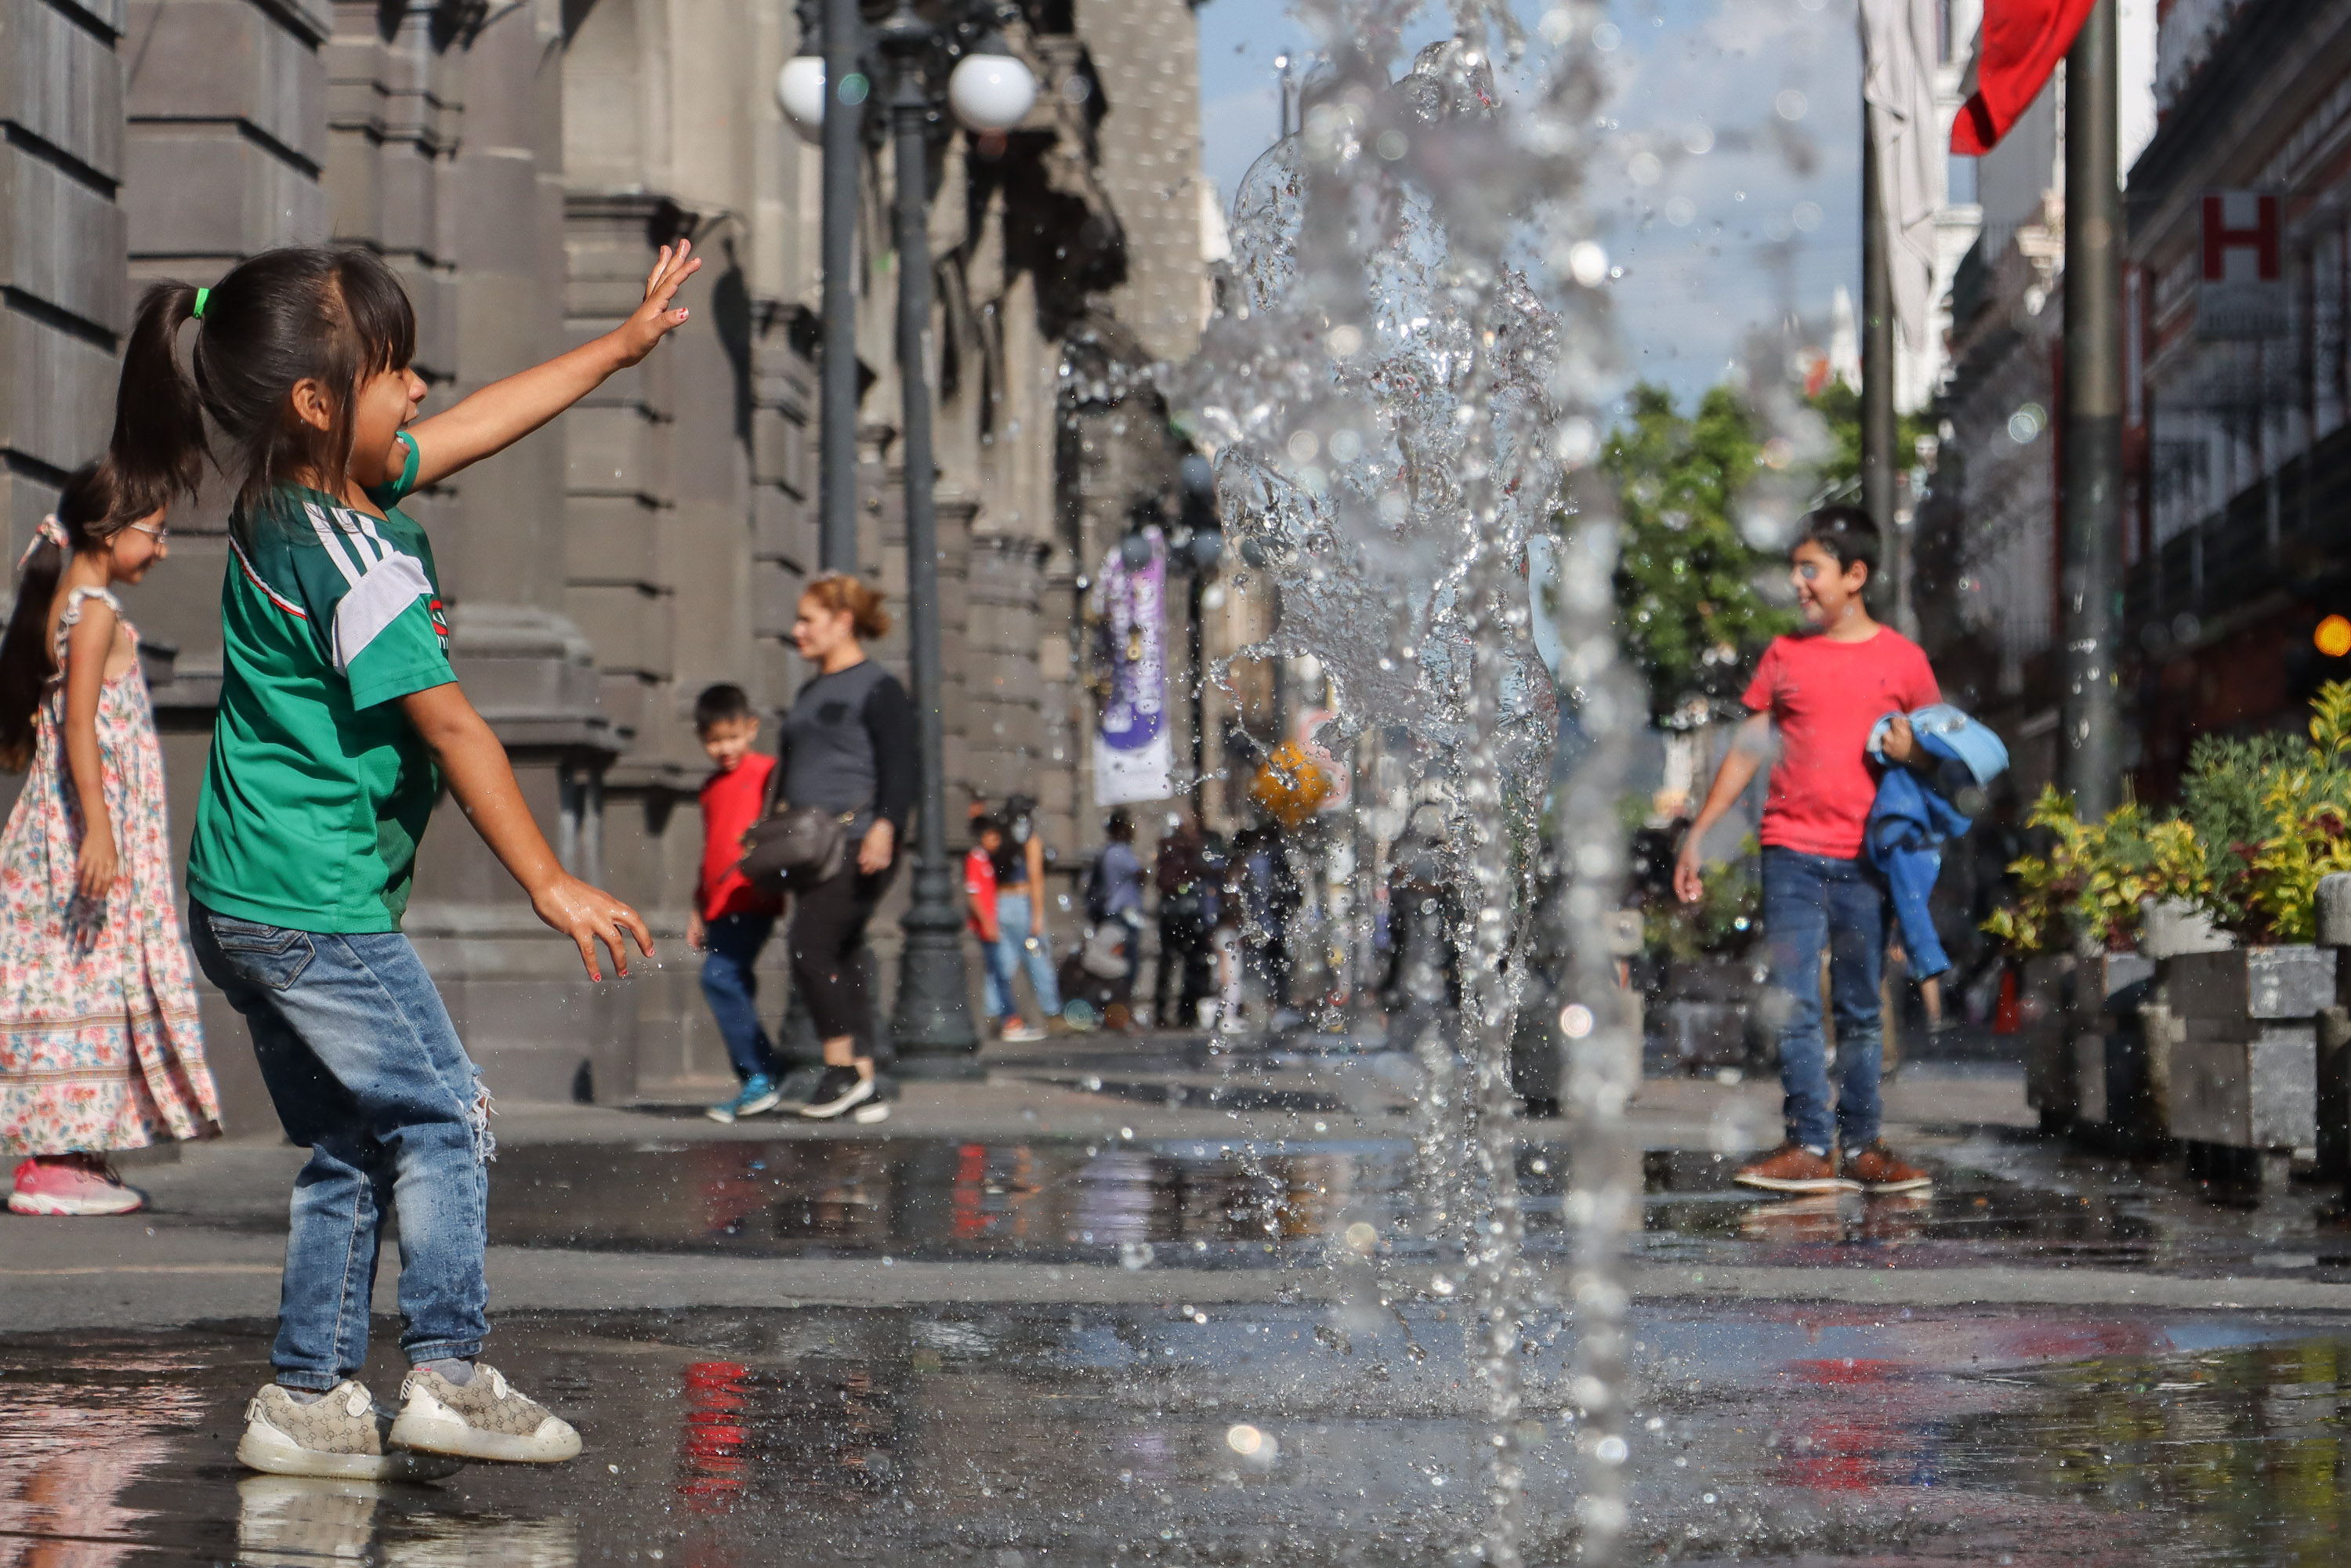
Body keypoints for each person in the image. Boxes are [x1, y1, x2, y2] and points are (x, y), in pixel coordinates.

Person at [116, 243, 696, 1478]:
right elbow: (453, 722)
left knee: (354, 1142)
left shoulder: (294, 509)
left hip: (245, 895)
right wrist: (549, 879)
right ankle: (447, 1369)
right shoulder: (356, 562)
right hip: (315, 904)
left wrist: (618, 347)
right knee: (443, 1109)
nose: (425, 389)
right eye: (396, 371)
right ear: (321, 402)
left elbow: (481, 423)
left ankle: (308, 1399)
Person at [1674, 506, 1940, 1197]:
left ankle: (1864, 1145)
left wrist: (1918, 749)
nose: (1798, 583)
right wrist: (1699, 833)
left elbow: (1942, 755)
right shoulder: (1785, 656)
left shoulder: (1903, 661)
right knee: (1792, 1001)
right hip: (1789, 851)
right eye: (1795, 569)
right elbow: (1748, 749)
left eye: (1810, 569)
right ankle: (1808, 1144)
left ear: (1856, 575)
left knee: (1858, 1003)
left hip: (1867, 858)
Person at [0, 460, 217, 1217]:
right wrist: (99, 825)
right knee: (83, 975)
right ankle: (53, 1161)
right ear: (108, 530)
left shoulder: (68, 601)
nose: (160, 550)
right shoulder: (90, 611)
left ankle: (73, 1152)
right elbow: (81, 728)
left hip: (69, 827)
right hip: (82, 829)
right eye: (153, 534)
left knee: (80, 974)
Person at [777, 572, 914, 1122]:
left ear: (842, 622)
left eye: (808, 619)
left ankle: (837, 1069)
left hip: (859, 841)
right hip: (809, 844)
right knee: (843, 951)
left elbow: (901, 765)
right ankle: (863, 1076)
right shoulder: (810, 690)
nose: (797, 630)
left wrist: (887, 825)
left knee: (810, 944)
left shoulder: (878, 686)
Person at [693, 683, 787, 1124]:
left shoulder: (768, 772)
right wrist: (698, 909)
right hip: (719, 904)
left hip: (751, 896)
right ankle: (764, 1077)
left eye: (731, 737)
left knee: (719, 978)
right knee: (734, 982)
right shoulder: (710, 788)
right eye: (713, 740)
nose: (723, 748)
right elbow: (709, 853)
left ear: (752, 729)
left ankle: (761, 1075)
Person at [991, 792, 1060, 1037]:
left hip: (999, 901)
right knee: (1038, 957)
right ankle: (1052, 1012)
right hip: (1021, 902)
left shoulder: (999, 837)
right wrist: (1038, 916)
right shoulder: (1029, 838)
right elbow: (1035, 877)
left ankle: (997, 1015)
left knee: (1002, 961)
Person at [1153, 813, 1219, 1030]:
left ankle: (1166, 1012)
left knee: (1170, 963)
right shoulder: (1191, 851)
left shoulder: (1168, 850)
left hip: (1171, 913)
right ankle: (1185, 1012)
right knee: (1192, 964)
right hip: (1188, 915)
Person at [967, 813, 1023, 1039]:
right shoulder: (975, 859)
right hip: (985, 928)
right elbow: (973, 895)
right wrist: (988, 923)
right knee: (999, 973)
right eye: (993, 837)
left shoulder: (985, 860)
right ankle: (1010, 1020)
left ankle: (1009, 1019)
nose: (996, 842)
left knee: (999, 972)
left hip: (991, 926)